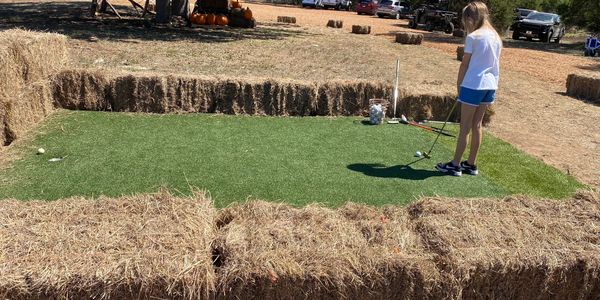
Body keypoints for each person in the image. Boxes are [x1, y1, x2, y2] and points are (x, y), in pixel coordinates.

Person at [436, 1, 502, 176]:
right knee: (477, 124)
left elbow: (464, 65)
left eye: (466, 21)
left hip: (473, 85)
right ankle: (471, 164)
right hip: (490, 85)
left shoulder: (474, 37)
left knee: (464, 126)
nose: (466, 25)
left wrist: (459, 87)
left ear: (471, 18)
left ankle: (455, 165)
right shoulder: (496, 36)